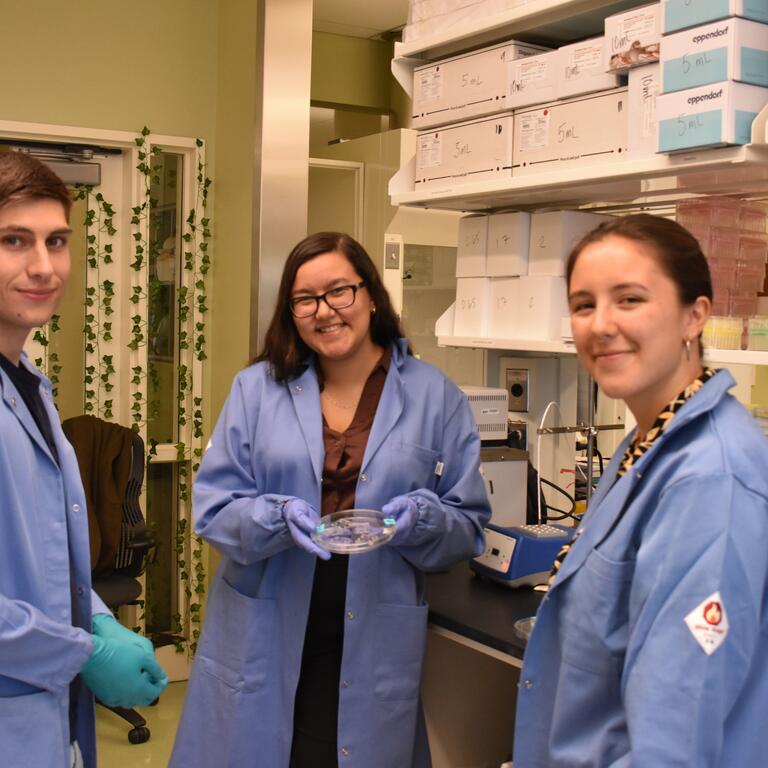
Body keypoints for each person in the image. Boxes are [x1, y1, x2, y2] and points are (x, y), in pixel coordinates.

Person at [170, 232, 490, 767]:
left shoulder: (436, 397)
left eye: (339, 291)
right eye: (305, 300)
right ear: (290, 312)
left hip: (372, 630)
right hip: (265, 627)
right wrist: (274, 517)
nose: (325, 311)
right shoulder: (256, 390)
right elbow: (214, 509)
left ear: (370, 295)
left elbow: (469, 527)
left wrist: (422, 521)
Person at [513, 214, 768, 767]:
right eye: (584, 304)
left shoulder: (709, 477)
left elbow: (673, 734)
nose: (601, 324)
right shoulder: (646, 443)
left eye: (629, 299)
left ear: (694, 315)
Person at [0, 151, 168, 768]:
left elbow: (42, 561)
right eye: (14, 241)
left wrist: (95, 621)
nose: (43, 266)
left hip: (41, 722)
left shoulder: (28, 387)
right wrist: (81, 652)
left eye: (57, 241)